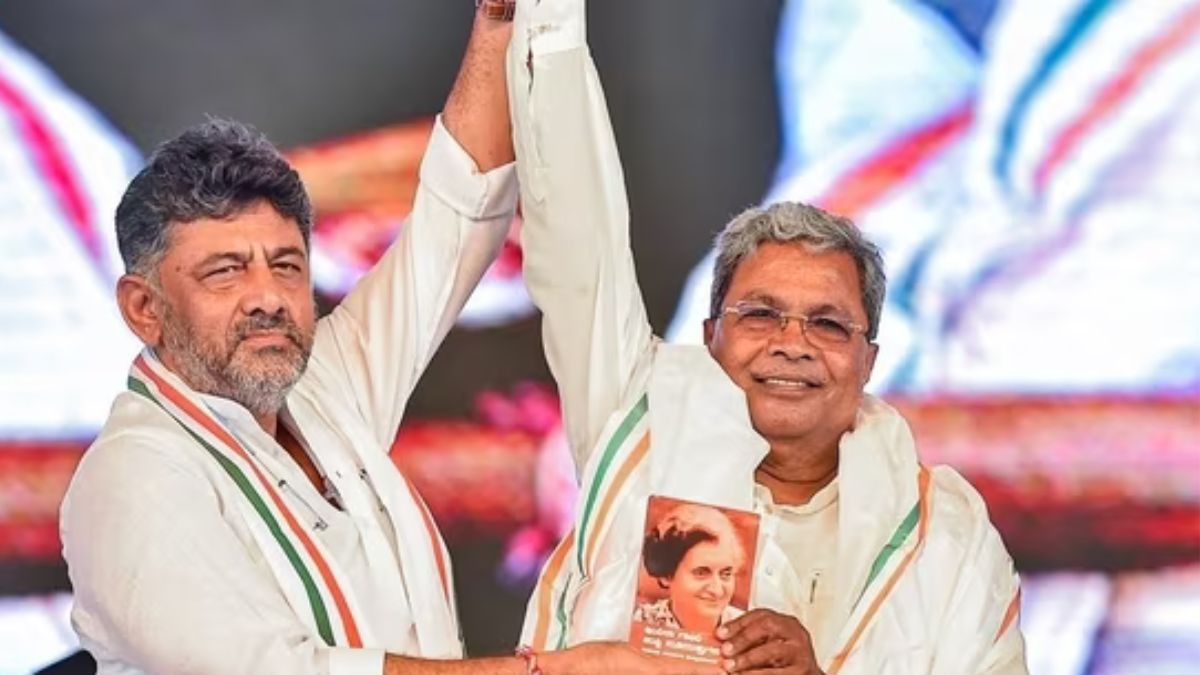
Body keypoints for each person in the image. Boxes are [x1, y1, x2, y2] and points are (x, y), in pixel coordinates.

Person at [59, 5, 710, 675]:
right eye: (224, 272)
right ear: (144, 308)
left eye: (286, 265)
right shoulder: (130, 480)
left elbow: (451, 228)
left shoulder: (319, 388)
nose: (267, 296)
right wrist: (551, 670)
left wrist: (500, 27)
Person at [506, 1, 1029, 673]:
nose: (792, 343)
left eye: (828, 324)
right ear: (711, 338)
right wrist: (533, 24)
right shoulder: (643, 444)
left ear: (868, 357)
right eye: (760, 316)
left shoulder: (947, 533)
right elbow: (579, 243)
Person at [634, 505, 746, 636]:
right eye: (701, 573)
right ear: (667, 575)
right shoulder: (640, 622)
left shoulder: (745, 627)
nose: (717, 590)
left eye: (726, 574)